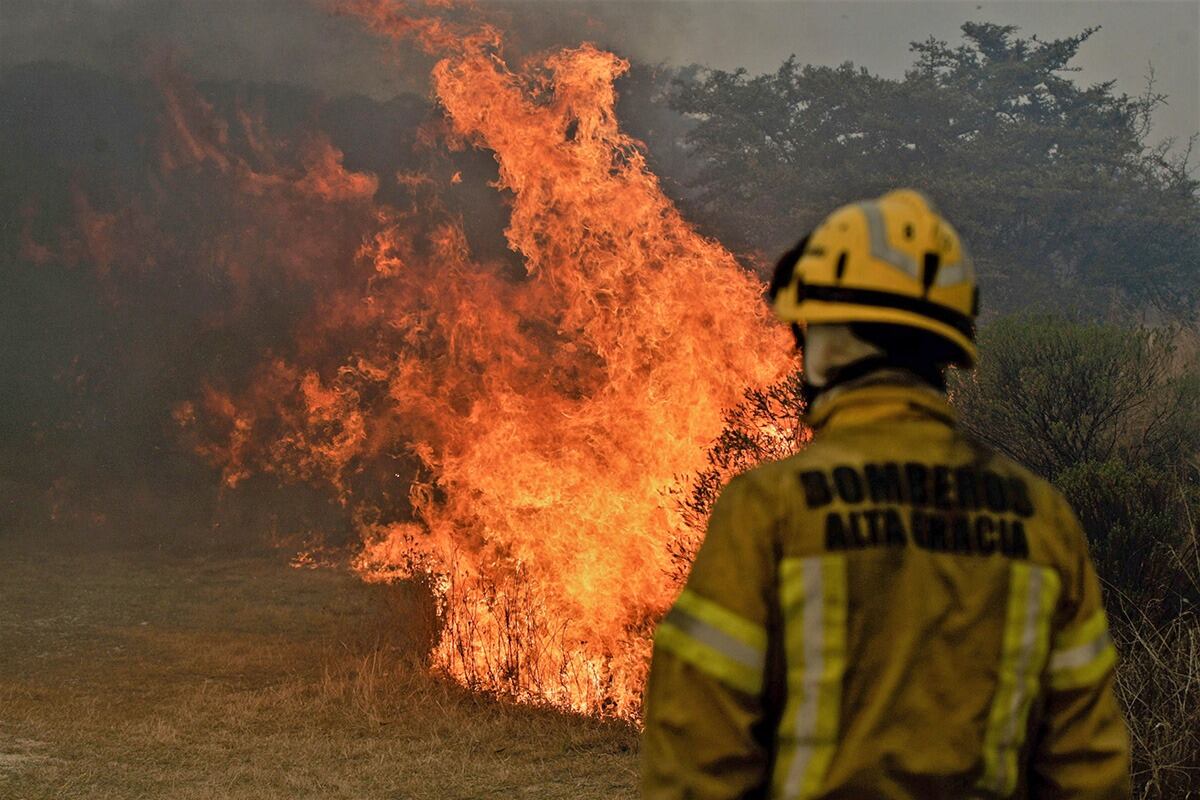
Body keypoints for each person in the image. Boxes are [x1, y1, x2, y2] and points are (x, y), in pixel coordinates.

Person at [641, 190, 1131, 799]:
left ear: (829, 342)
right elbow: (1089, 768)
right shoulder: (1041, 519)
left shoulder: (769, 508)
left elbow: (698, 750)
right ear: (948, 347)